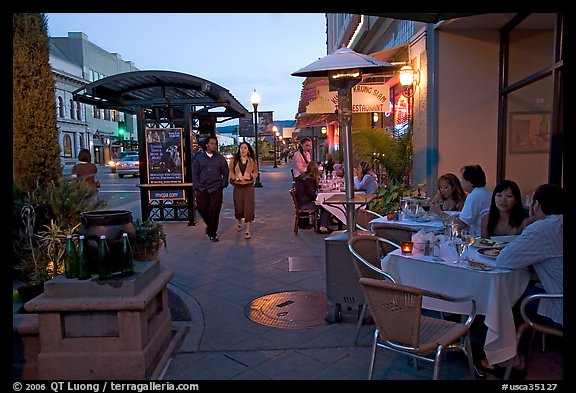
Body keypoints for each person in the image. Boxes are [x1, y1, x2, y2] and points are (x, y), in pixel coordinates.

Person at [482, 183, 563, 379]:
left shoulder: (543, 228)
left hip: (560, 302)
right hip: (554, 289)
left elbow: (505, 259)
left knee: (514, 294)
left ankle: (510, 358)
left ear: (536, 205)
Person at [192, 136, 229, 242]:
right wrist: (197, 185)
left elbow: (225, 172)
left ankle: (212, 233)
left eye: (215, 144)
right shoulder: (199, 158)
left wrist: (223, 183)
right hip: (202, 188)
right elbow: (195, 173)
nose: (214, 145)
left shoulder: (220, 158)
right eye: (212, 143)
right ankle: (209, 225)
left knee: (214, 211)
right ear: (207, 145)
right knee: (201, 208)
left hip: (216, 188)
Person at [229, 142, 258, 240]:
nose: (243, 150)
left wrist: (251, 176)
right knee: (239, 207)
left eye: (245, 148)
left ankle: (248, 230)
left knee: (249, 208)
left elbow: (255, 172)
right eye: (241, 148)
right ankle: (239, 221)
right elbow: (231, 172)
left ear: (248, 150)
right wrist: (234, 177)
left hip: (248, 187)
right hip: (238, 186)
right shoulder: (234, 160)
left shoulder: (251, 161)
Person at [294, 161, 333, 234]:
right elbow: (311, 194)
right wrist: (318, 199)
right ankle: (323, 227)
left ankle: (323, 224)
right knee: (326, 205)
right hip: (305, 204)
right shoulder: (309, 179)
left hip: (302, 202)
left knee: (323, 203)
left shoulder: (304, 176)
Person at [456, 164, 492, 236]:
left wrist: (441, 215)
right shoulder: (488, 193)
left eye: (462, 180)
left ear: (468, 182)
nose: (460, 182)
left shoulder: (474, 196)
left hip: (478, 238)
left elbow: (462, 224)